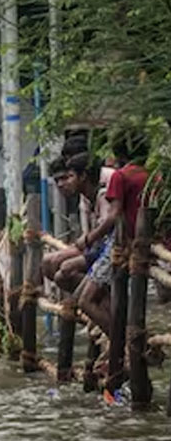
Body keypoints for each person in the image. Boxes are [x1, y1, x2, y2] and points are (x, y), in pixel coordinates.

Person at [77, 131, 150, 333]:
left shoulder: (121, 176)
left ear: (118, 152)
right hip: (148, 241)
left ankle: (124, 344)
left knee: (86, 300)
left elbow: (114, 215)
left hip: (124, 243)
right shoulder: (153, 174)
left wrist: (90, 238)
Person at [43, 149, 109, 293]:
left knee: (61, 268)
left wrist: (87, 240)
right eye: (57, 180)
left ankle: (97, 296)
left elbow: (107, 228)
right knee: (48, 263)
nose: (61, 184)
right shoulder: (85, 197)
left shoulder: (103, 195)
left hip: (106, 249)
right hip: (96, 247)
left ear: (83, 176)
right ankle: (88, 295)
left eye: (68, 177)